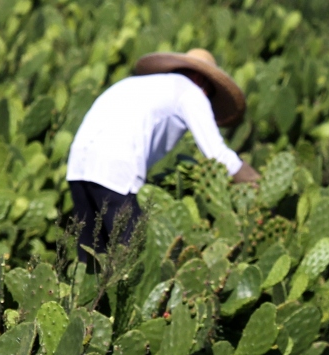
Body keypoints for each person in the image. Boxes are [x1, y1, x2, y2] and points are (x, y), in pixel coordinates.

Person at [66, 48, 260, 259]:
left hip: (77, 165)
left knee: (90, 261)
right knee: (133, 261)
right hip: (117, 170)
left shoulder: (137, 84)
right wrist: (258, 185)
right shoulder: (191, 91)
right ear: (201, 79)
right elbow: (217, 154)